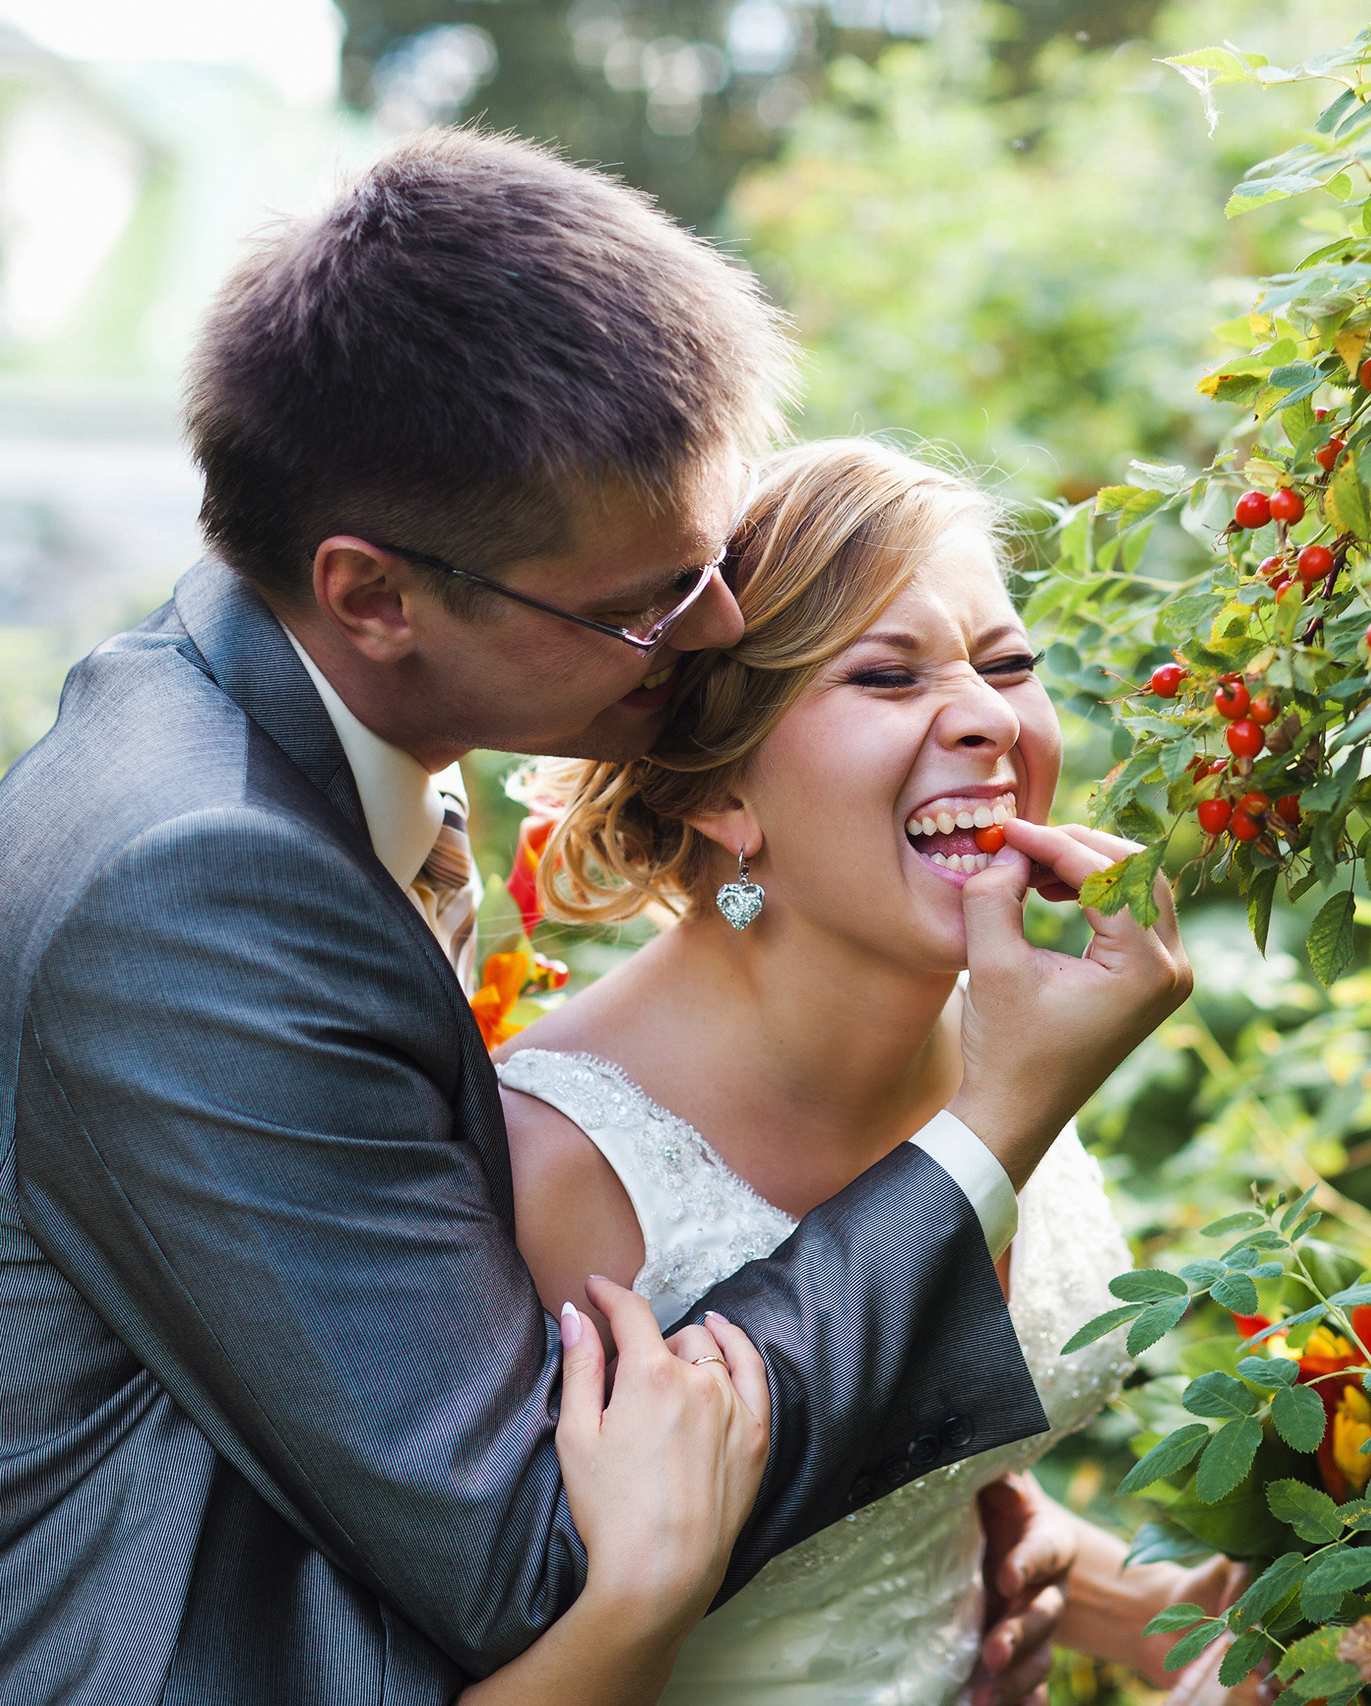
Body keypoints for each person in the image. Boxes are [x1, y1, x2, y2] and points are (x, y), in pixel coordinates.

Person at [0, 129, 1190, 1705]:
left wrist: (1000, 1562)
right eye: (642, 603)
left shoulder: (309, 757)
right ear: (374, 597)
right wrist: (1002, 1114)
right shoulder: (192, 880)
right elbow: (540, 1551)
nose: (712, 626)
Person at [486, 439, 1256, 1704]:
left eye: (1008, 664)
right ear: (725, 787)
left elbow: (913, 1522)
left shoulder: (1010, 1033)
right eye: (889, 675)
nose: (989, 716)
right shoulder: (558, 1172)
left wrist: (1264, 1617)